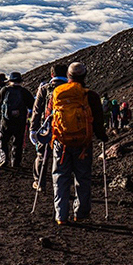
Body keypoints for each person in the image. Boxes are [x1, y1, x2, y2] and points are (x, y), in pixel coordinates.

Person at [51, 62, 108, 225]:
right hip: (83, 143)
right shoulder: (91, 96)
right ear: (84, 76)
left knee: (60, 177)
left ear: (68, 76)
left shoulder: (57, 93)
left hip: (61, 143)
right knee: (82, 177)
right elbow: (97, 120)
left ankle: (61, 215)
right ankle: (81, 213)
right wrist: (101, 136)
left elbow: (51, 116)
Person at [29, 64, 68, 191]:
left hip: (47, 126)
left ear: (52, 75)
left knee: (42, 155)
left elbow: (36, 110)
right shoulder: (70, 88)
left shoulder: (45, 88)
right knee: (62, 156)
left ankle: (39, 182)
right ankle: (61, 185)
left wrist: (33, 129)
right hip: (65, 128)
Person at [0, 72, 34, 168]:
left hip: (6, 121)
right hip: (20, 121)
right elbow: (32, 105)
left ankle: (4, 158)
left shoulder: (5, 90)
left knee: (3, 140)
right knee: (18, 142)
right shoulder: (24, 92)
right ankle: (15, 162)